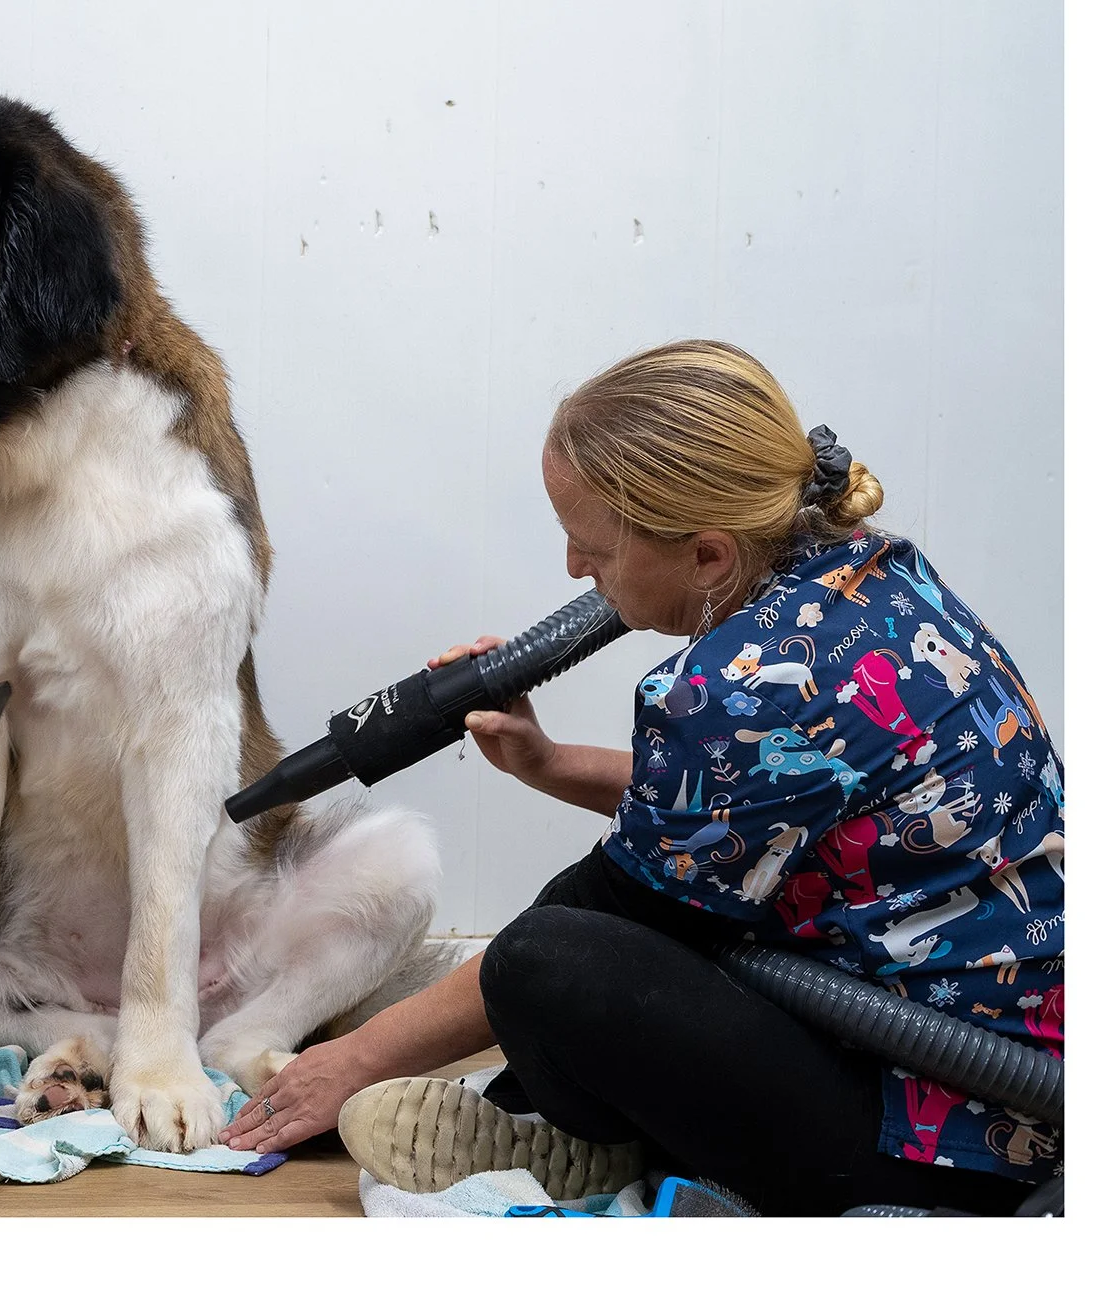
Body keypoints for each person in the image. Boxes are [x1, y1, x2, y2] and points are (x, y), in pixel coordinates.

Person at [219, 339, 1063, 1216]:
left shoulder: (734, 688)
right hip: (1022, 1063)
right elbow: (760, 810)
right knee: (615, 922)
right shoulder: (871, 574)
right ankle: (574, 1125)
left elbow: (601, 906)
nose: (575, 572)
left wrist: (347, 1063)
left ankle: (597, 1138)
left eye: (593, 547)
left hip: (936, 1134)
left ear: (706, 557)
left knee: (540, 960)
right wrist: (549, 765)